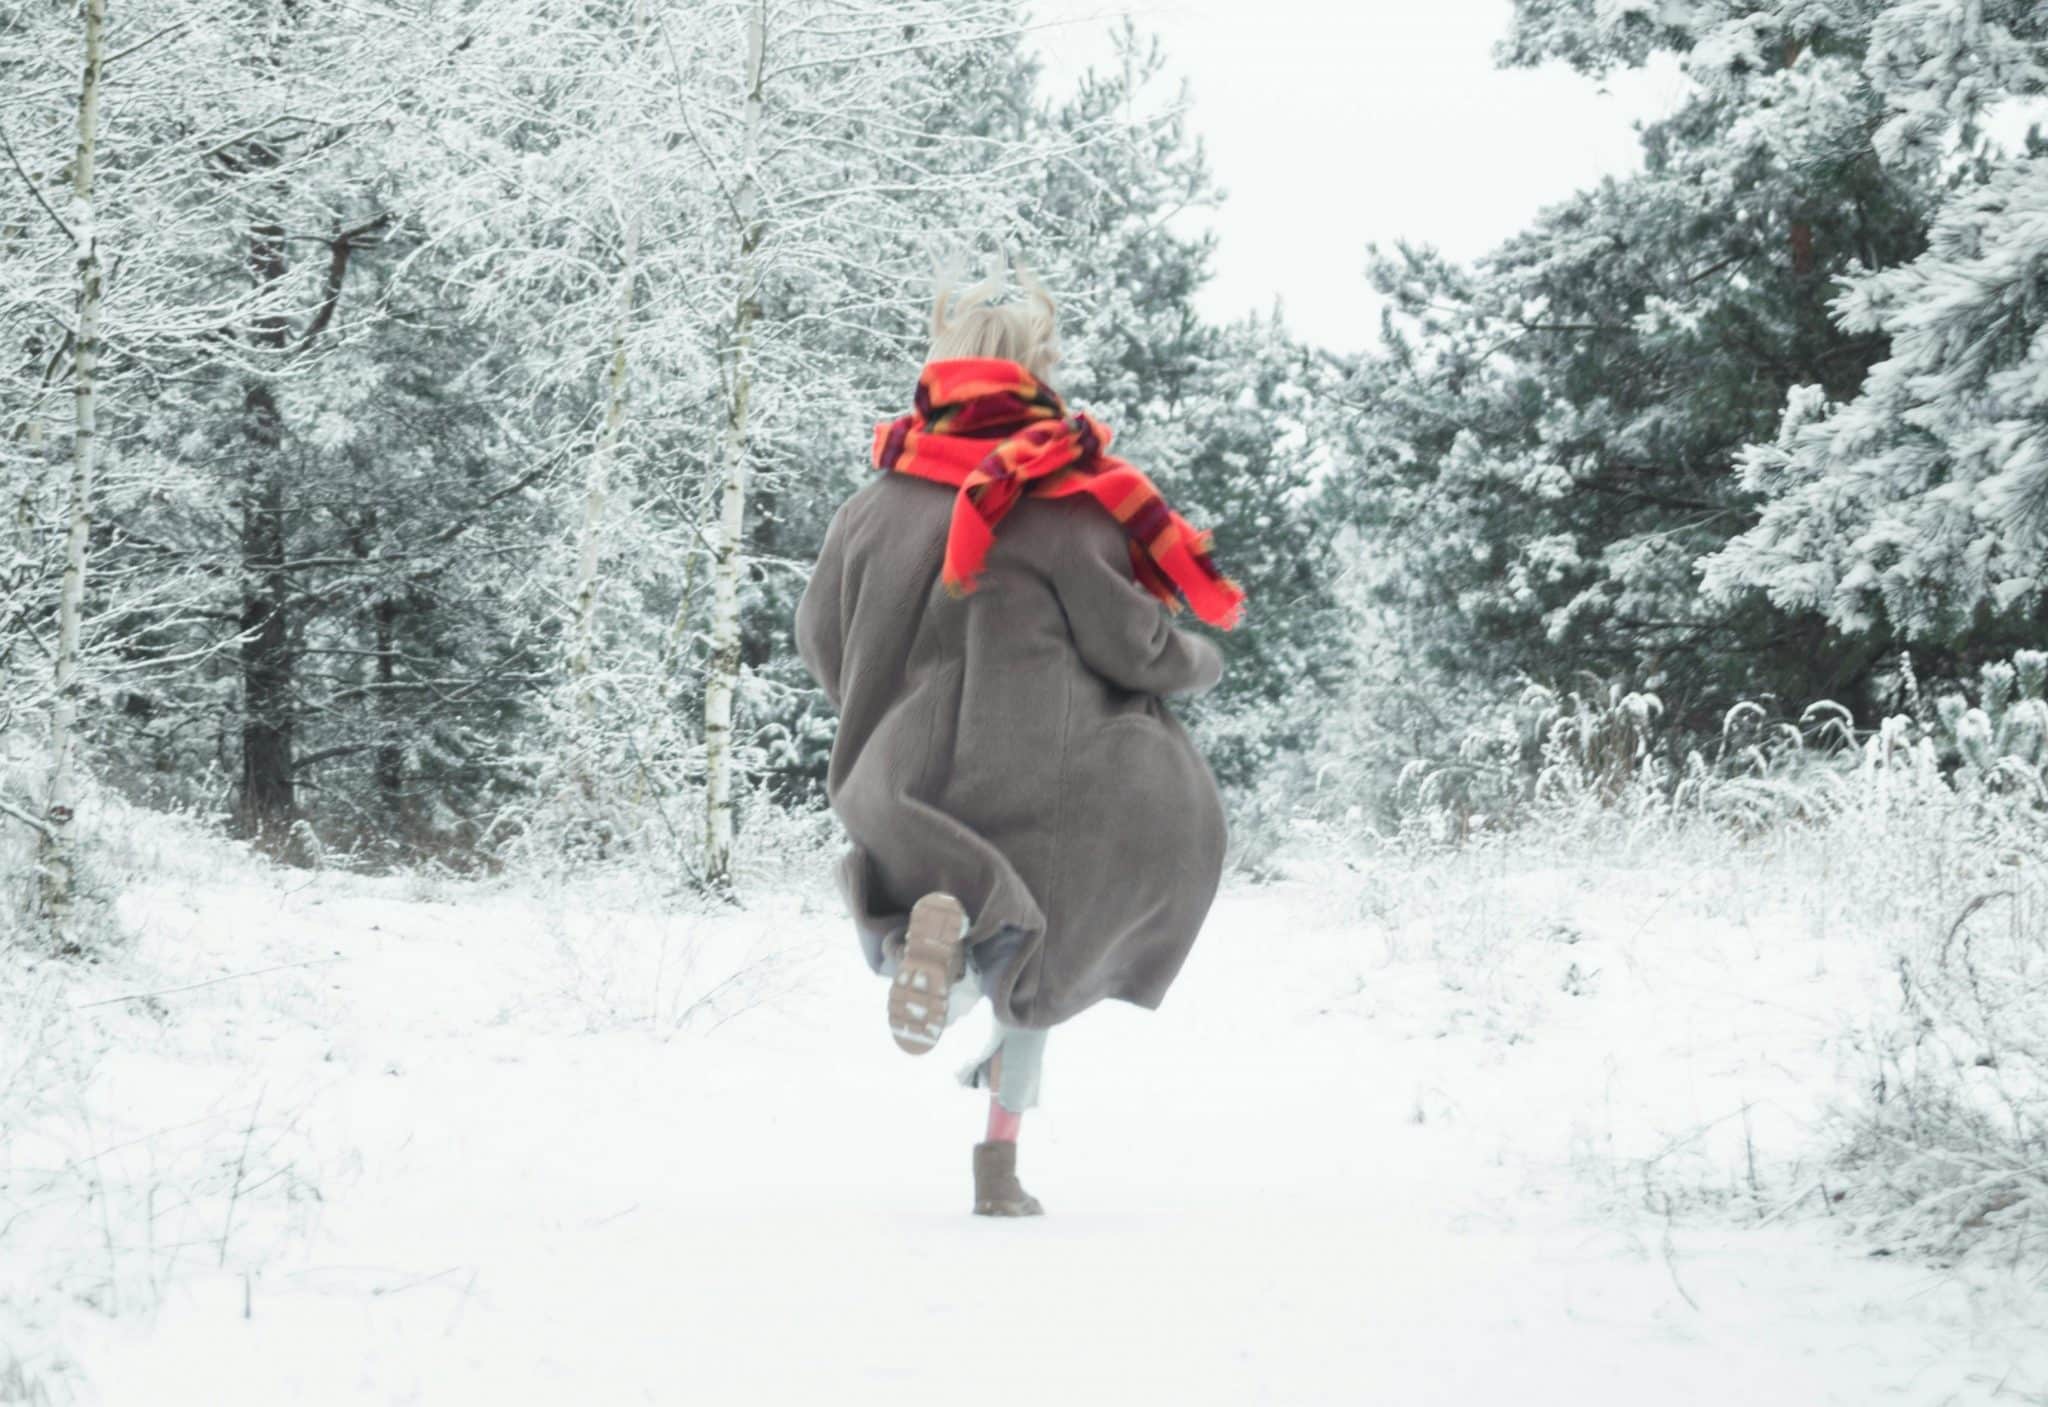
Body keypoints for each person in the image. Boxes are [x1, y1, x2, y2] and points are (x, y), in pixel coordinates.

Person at [794, 265, 1243, 1217]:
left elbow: (819, 636)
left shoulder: (872, 507)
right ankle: (996, 1160)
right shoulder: (1066, 503)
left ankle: (938, 960)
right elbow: (1133, 644)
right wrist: (1198, 661)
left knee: (958, 920)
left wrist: (877, 706)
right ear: (1040, 370)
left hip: (904, 784)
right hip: (1044, 783)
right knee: (1054, 947)